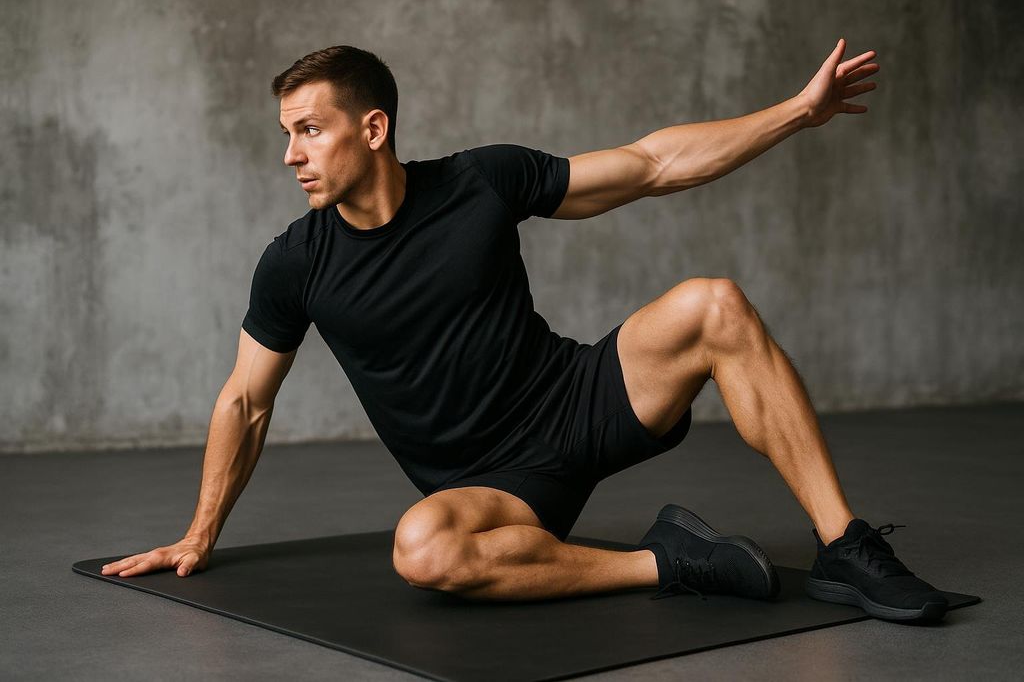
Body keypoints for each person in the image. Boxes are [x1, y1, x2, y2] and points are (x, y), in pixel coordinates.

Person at [101, 40, 948, 623]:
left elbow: (651, 164)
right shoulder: (296, 262)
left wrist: (798, 112)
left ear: (373, 128)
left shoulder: (480, 181)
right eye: (286, 133)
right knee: (422, 549)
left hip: (580, 399)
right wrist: (199, 534)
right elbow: (246, 400)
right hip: (497, 488)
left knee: (714, 303)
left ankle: (843, 545)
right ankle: (673, 560)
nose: (291, 153)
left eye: (309, 129)